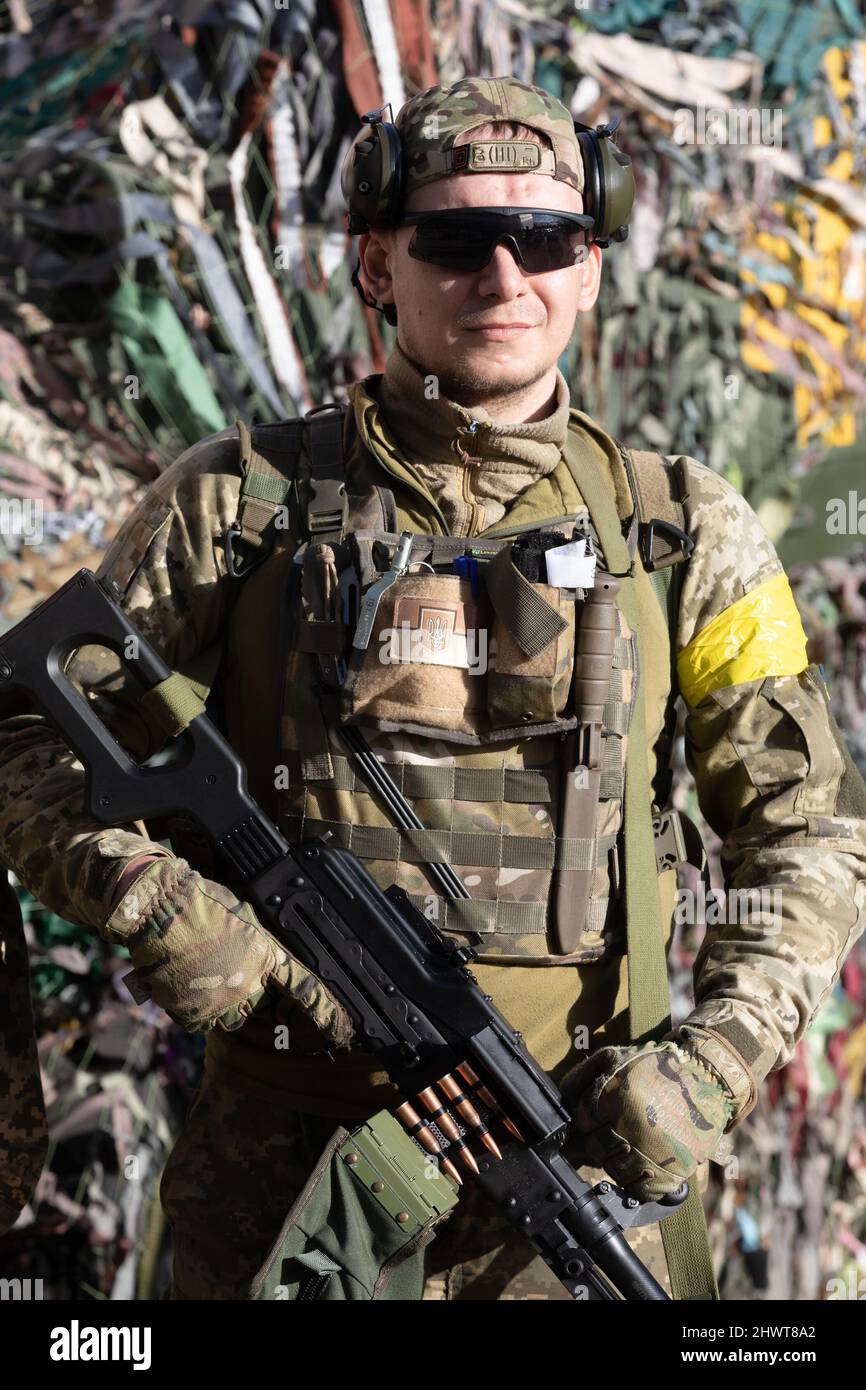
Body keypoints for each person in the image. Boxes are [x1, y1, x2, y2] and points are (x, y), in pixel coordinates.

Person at [1, 76, 865, 1301]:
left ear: (591, 268)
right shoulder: (233, 504)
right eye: (455, 239)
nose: (503, 277)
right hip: (283, 1192)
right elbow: (20, 735)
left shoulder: (682, 533)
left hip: (572, 1188)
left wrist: (712, 1063)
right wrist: (156, 904)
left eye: (546, 240)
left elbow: (809, 837)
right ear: (376, 265)